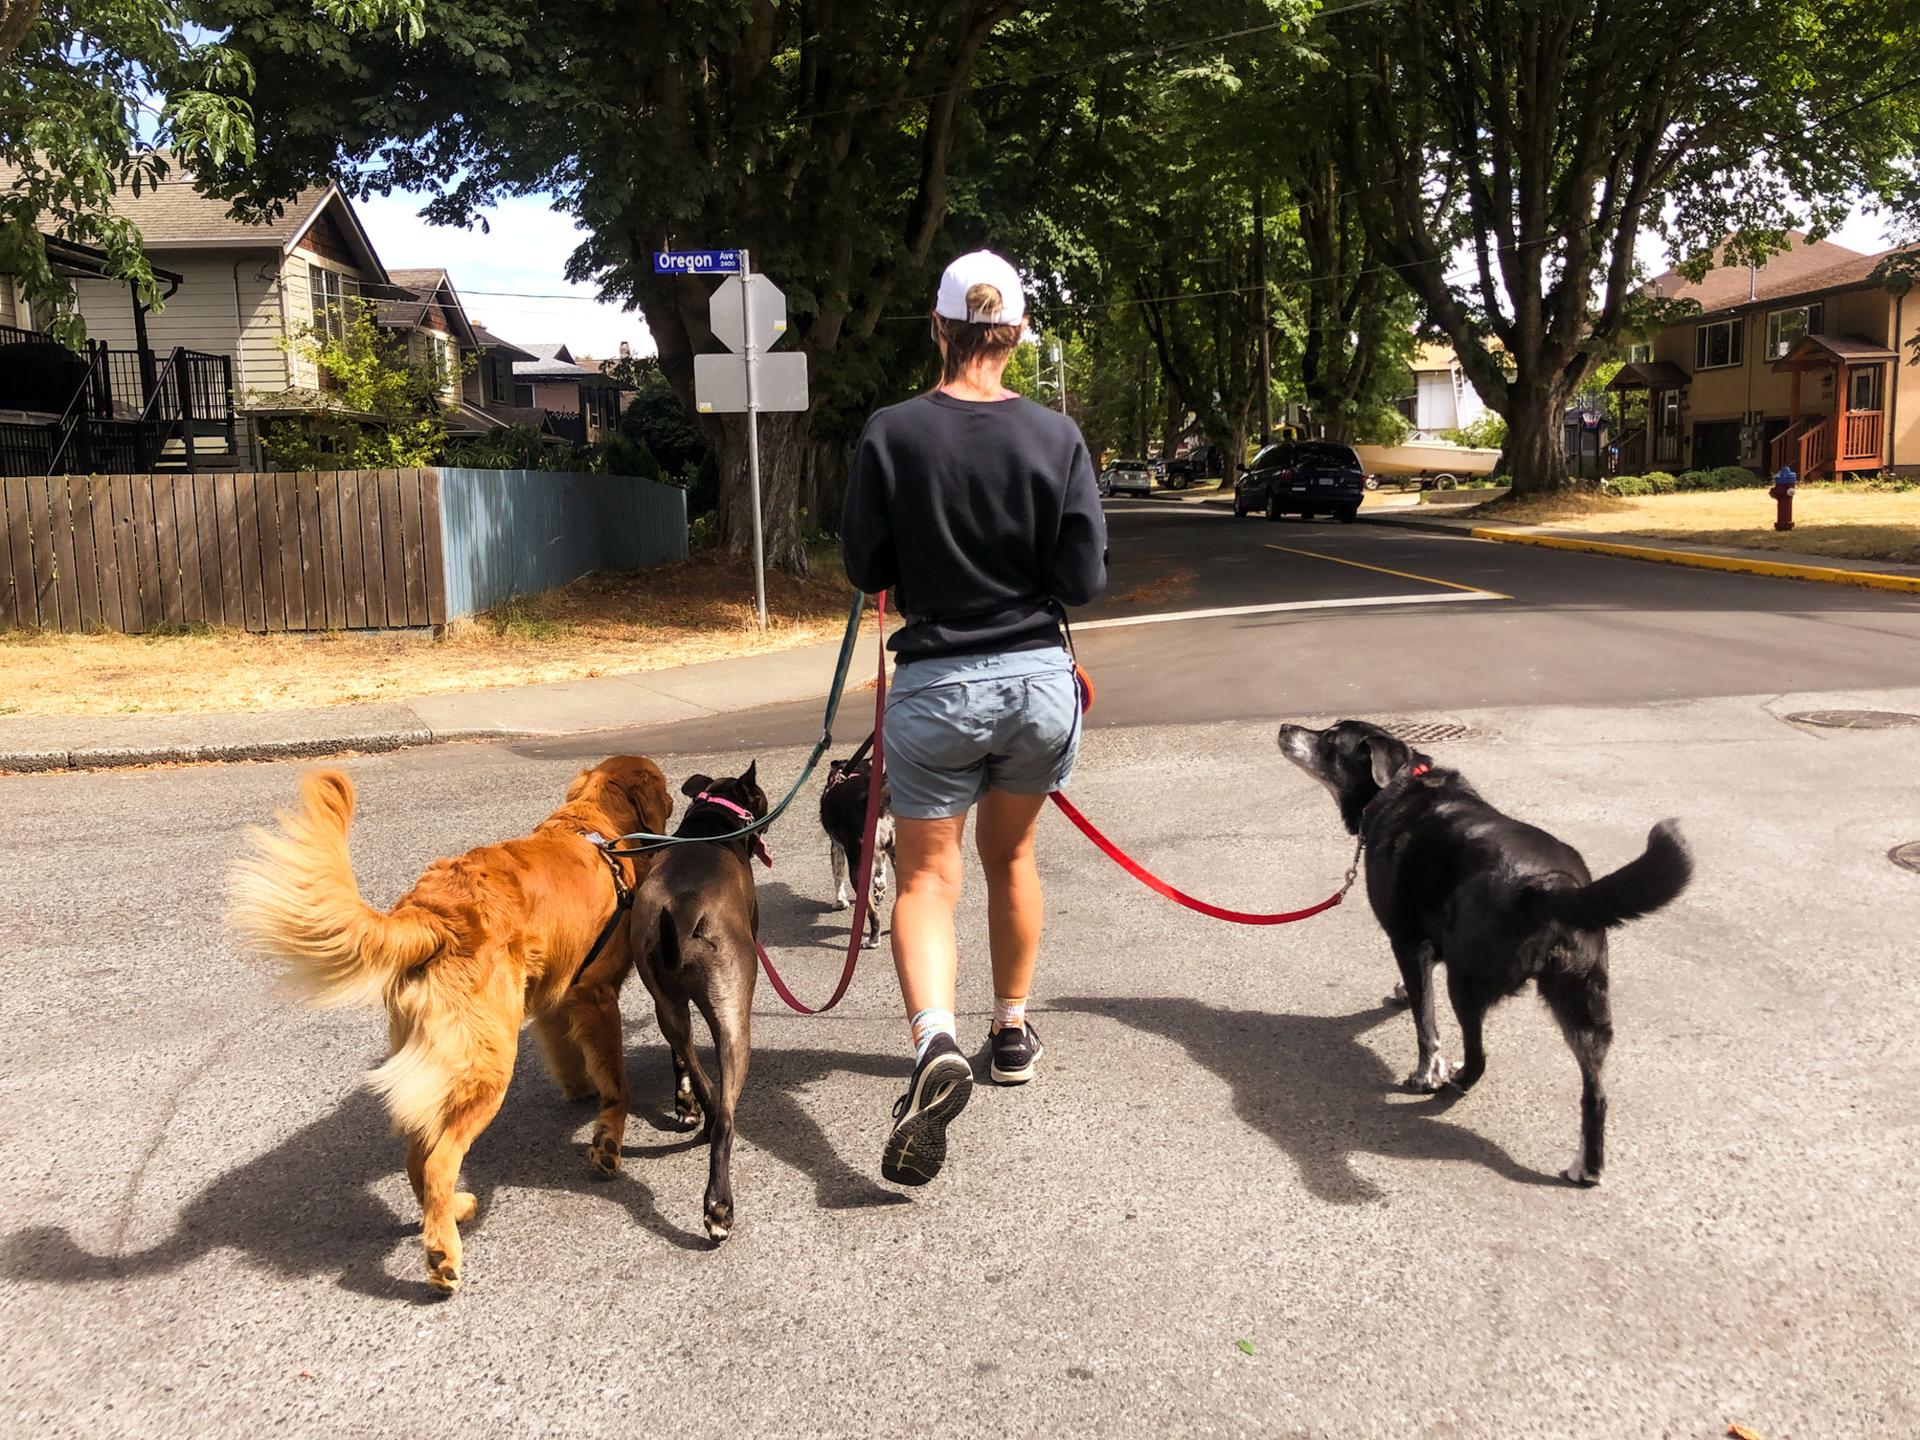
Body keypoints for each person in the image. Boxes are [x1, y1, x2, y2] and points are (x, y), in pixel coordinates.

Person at [841, 249, 1107, 1187]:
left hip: (937, 684)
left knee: (925, 876)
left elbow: (863, 564)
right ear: (1019, 332)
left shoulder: (892, 431)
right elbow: (1083, 580)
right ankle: (1011, 1030)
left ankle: (935, 1042)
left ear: (938, 327)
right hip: (1040, 681)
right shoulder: (1056, 437)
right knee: (1014, 857)